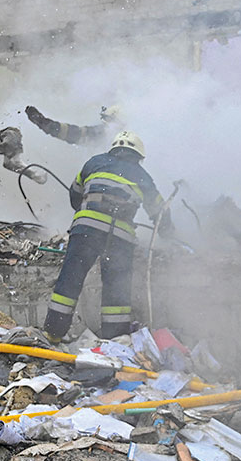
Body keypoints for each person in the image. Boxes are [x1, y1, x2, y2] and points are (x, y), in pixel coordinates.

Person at [43, 131, 169, 342]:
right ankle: (116, 339)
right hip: (119, 239)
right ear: (138, 156)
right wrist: (168, 230)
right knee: (116, 285)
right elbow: (160, 211)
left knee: (70, 279)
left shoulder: (94, 163)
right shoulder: (142, 176)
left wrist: (88, 209)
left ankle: (53, 332)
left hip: (85, 231)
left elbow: (75, 194)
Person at [24, 104, 123, 147]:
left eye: (108, 120)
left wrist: (44, 123)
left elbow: (75, 134)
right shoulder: (102, 135)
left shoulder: (107, 134)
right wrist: (46, 124)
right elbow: (74, 134)